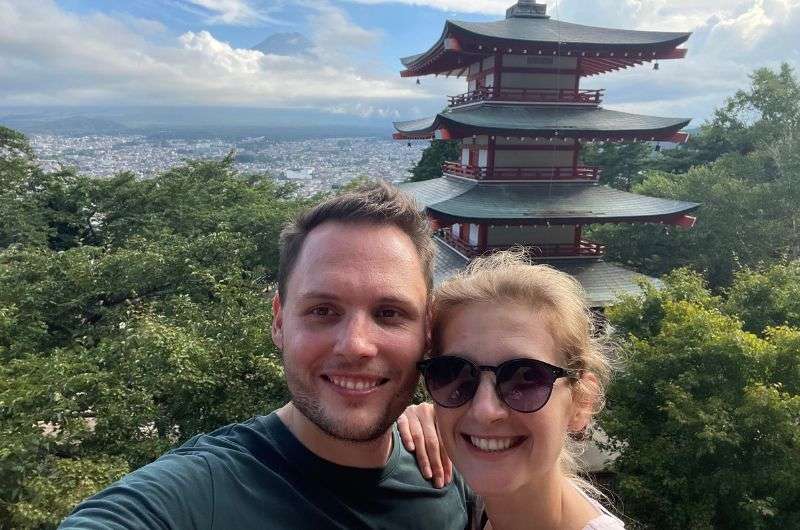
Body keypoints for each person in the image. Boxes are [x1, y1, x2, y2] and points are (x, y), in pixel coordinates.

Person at [59, 182, 471, 529]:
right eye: (323, 311)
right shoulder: (205, 492)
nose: (356, 345)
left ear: (427, 332)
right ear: (279, 321)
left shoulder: (453, 468)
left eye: (389, 314)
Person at [404, 250, 623, 530]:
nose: (484, 410)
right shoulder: (485, 510)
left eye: (527, 380)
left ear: (581, 402)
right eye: (454, 373)